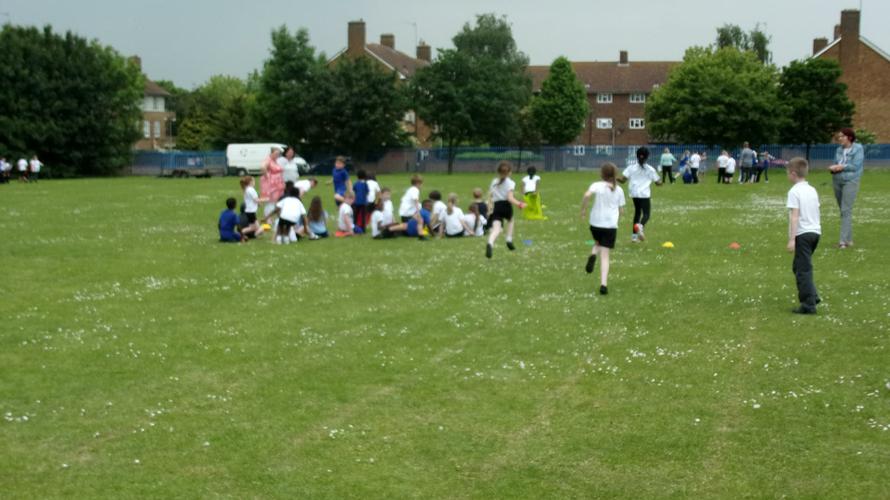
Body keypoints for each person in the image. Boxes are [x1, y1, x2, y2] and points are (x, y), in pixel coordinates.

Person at [580, 162, 626, 295]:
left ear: (602, 174)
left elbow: (587, 195)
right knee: (605, 255)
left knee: (597, 243)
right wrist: (618, 214)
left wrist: (583, 210)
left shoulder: (596, 185)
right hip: (610, 225)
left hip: (595, 223)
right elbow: (621, 210)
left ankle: (593, 254)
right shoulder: (619, 190)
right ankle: (603, 285)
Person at [786, 157, 821, 314]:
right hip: (815, 232)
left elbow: (795, 216)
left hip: (803, 234)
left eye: (788, 173)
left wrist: (792, 239)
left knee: (803, 270)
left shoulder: (794, 191)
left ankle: (808, 305)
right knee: (798, 266)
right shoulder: (812, 189)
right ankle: (813, 295)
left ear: (793, 174)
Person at [828, 128, 864, 249]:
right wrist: (833, 168)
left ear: (849, 137)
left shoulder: (858, 148)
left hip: (851, 181)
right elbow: (835, 162)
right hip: (837, 180)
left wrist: (841, 167)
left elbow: (855, 166)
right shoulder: (839, 150)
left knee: (845, 210)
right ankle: (849, 240)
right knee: (844, 211)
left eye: (842, 136)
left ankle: (843, 242)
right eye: (839, 137)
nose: (840, 139)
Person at [618, 147, 661, 243]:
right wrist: (661, 182)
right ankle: (640, 226)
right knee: (646, 214)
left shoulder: (631, 168)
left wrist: (614, 177)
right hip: (644, 194)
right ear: (647, 157)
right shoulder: (650, 169)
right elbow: (658, 182)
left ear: (637, 156)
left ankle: (634, 237)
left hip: (634, 193)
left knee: (637, 213)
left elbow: (623, 180)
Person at [485, 161, 526, 259]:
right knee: (510, 220)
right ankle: (509, 239)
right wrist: (519, 203)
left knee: (496, 228)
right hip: (505, 206)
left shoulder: (494, 181)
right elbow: (510, 198)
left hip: (496, 206)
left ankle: (490, 242)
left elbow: (490, 196)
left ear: (498, 172)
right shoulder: (510, 183)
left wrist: (489, 209)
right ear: (509, 172)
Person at [260, 147, 284, 217]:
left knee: (276, 202)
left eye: (278, 154)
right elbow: (262, 167)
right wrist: (267, 177)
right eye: (276, 154)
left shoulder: (275, 161)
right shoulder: (268, 160)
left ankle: (277, 217)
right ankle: (268, 218)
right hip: (271, 186)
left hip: (277, 185)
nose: (277, 156)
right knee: (270, 202)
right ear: (271, 153)